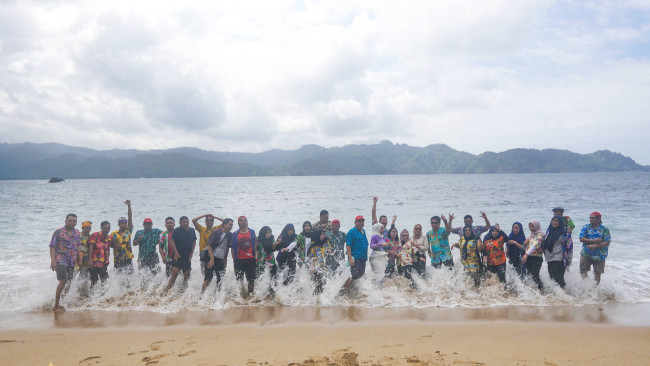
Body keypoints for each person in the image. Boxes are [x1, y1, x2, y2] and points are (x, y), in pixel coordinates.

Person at [49, 214, 81, 311]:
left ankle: (61, 301)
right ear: (65, 221)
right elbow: (52, 246)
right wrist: (53, 261)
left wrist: (80, 259)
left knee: (69, 282)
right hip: (60, 259)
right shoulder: (59, 231)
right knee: (63, 280)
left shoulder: (77, 232)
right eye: (70, 220)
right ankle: (56, 305)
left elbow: (78, 245)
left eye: (74, 221)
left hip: (72, 261)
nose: (72, 222)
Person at [579, 212, 611, 285]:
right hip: (586, 253)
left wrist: (595, 246)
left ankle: (595, 290)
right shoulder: (586, 227)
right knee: (583, 271)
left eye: (593, 218)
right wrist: (593, 241)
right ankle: (587, 286)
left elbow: (607, 242)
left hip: (599, 255)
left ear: (599, 219)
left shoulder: (604, 229)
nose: (591, 219)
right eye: (590, 218)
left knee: (597, 274)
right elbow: (581, 239)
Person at [202, 218, 233, 293]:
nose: (231, 226)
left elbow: (227, 248)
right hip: (210, 258)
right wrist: (212, 259)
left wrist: (225, 260)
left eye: (232, 225)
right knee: (208, 278)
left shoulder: (230, 234)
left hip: (221, 259)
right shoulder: (216, 232)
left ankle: (217, 296)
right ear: (225, 224)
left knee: (220, 278)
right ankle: (202, 295)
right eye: (230, 225)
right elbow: (209, 245)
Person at [166, 216, 196, 291]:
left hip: (187, 256)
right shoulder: (177, 231)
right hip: (177, 256)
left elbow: (194, 242)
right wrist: (176, 252)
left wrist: (191, 253)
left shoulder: (192, 230)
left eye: (187, 222)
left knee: (187, 274)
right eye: (183, 222)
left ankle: (183, 291)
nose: (185, 223)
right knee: (175, 272)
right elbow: (171, 241)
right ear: (179, 223)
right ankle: (168, 289)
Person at [542, 215, 572, 290]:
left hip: (559, 257)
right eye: (553, 220)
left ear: (560, 222)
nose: (554, 222)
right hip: (549, 257)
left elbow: (569, 247)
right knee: (552, 277)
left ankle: (564, 295)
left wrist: (569, 259)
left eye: (556, 221)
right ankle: (557, 296)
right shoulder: (549, 231)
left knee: (559, 277)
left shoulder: (565, 233)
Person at [231, 216, 257, 297]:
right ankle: (241, 297)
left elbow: (255, 243)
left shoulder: (252, 232)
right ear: (238, 223)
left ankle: (250, 296)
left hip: (250, 260)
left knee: (251, 281)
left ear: (247, 222)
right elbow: (232, 248)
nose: (243, 222)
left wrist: (255, 254)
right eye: (241, 221)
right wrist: (234, 260)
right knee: (239, 281)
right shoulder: (235, 234)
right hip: (239, 260)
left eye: (245, 220)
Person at [342, 215, 369, 290]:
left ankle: (352, 290)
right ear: (355, 222)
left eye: (362, 221)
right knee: (354, 275)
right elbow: (348, 245)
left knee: (360, 275)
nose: (361, 223)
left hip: (363, 257)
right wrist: (350, 258)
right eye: (359, 221)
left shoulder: (364, 231)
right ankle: (343, 290)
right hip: (355, 257)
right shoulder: (352, 232)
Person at [110, 200, 134, 273]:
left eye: (125, 223)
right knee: (118, 277)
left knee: (129, 277)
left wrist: (129, 206)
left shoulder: (128, 231)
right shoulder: (113, 233)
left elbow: (130, 218)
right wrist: (115, 245)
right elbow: (110, 245)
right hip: (118, 258)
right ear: (118, 224)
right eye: (122, 223)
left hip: (128, 258)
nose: (124, 224)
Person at [306, 229, 332, 294]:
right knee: (319, 285)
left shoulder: (325, 242)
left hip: (324, 267)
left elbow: (329, 249)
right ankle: (314, 299)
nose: (323, 236)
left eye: (323, 235)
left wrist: (329, 250)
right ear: (317, 235)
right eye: (321, 235)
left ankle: (318, 300)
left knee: (323, 285)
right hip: (316, 268)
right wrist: (311, 268)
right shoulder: (313, 246)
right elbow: (312, 258)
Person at [521, 221, 544, 292]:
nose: (531, 228)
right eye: (530, 227)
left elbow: (535, 246)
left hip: (537, 258)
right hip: (529, 258)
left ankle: (542, 290)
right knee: (530, 275)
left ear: (536, 226)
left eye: (532, 226)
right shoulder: (531, 235)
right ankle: (534, 291)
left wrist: (526, 254)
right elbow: (529, 246)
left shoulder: (540, 235)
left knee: (535, 275)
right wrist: (526, 242)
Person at [88, 221, 112, 287]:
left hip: (104, 262)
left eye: (108, 228)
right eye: (105, 228)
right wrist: (90, 261)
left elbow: (110, 247)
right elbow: (90, 247)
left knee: (104, 279)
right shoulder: (95, 235)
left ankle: (103, 295)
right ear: (101, 228)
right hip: (94, 262)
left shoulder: (109, 237)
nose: (107, 230)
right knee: (94, 280)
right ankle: (90, 294)